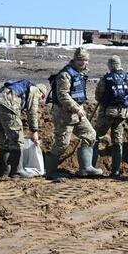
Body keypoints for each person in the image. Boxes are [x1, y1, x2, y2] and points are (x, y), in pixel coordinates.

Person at [45, 47, 101, 178]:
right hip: (64, 115)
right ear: (74, 60)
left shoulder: (80, 73)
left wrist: (79, 108)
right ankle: (50, 172)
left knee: (90, 134)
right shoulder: (65, 74)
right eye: (80, 60)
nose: (82, 62)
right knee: (62, 144)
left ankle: (86, 168)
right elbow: (62, 95)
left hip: (77, 114)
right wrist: (76, 108)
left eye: (85, 60)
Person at [0, 80, 48, 177]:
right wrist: (34, 131)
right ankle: (17, 171)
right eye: (41, 98)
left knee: (3, 139)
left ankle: (5, 170)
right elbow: (32, 112)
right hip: (8, 104)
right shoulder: (35, 90)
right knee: (17, 139)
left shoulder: (22, 87)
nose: (40, 100)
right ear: (42, 94)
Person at [93, 55, 128, 178]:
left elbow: (98, 94)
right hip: (122, 113)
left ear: (110, 65)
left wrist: (103, 102)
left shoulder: (106, 78)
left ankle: (91, 167)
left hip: (107, 112)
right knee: (117, 141)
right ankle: (116, 171)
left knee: (95, 138)